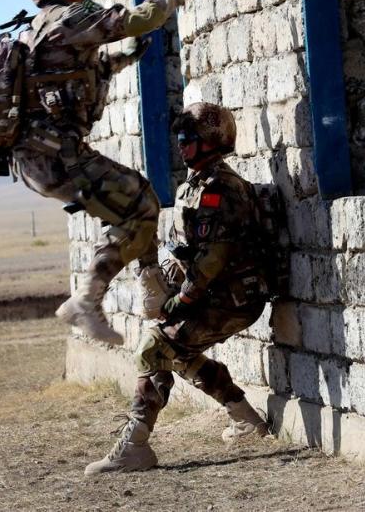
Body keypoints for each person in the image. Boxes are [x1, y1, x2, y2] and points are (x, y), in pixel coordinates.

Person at [13, 0, 193, 345]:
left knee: (139, 199)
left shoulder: (39, 28)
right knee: (141, 206)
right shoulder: (75, 16)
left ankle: (152, 286)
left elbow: (73, 77)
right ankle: (87, 301)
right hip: (58, 156)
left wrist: (123, 58)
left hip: (37, 161)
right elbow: (141, 18)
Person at [84, 102, 271, 476]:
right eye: (180, 139)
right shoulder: (199, 184)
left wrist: (180, 300)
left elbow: (214, 258)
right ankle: (245, 418)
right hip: (216, 294)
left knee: (156, 348)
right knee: (174, 349)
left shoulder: (220, 188)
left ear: (211, 142)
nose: (181, 147)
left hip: (232, 298)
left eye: (188, 139)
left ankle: (134, 446)